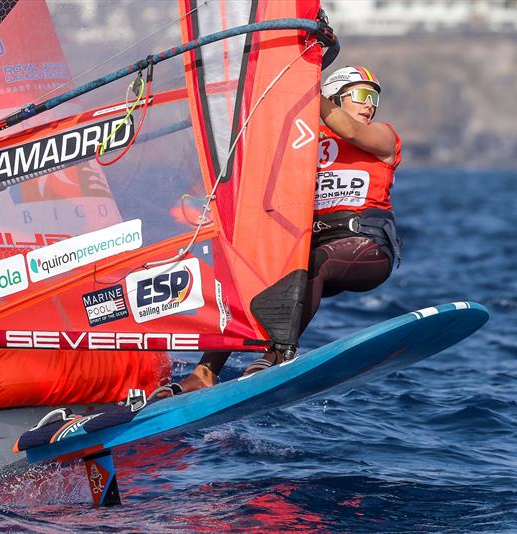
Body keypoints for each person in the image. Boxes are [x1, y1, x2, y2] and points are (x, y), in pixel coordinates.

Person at [150, 66, 402, 399]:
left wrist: (307, 89)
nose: (370, 105)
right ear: (337, 97)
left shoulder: (383, 137)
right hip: (313, 247)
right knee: (248, 278)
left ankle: (279, 351)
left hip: (367, 248)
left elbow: (350, 130)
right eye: (361, 96)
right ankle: (204, 372)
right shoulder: (305, 144)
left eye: (374, 98)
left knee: (314, 261)